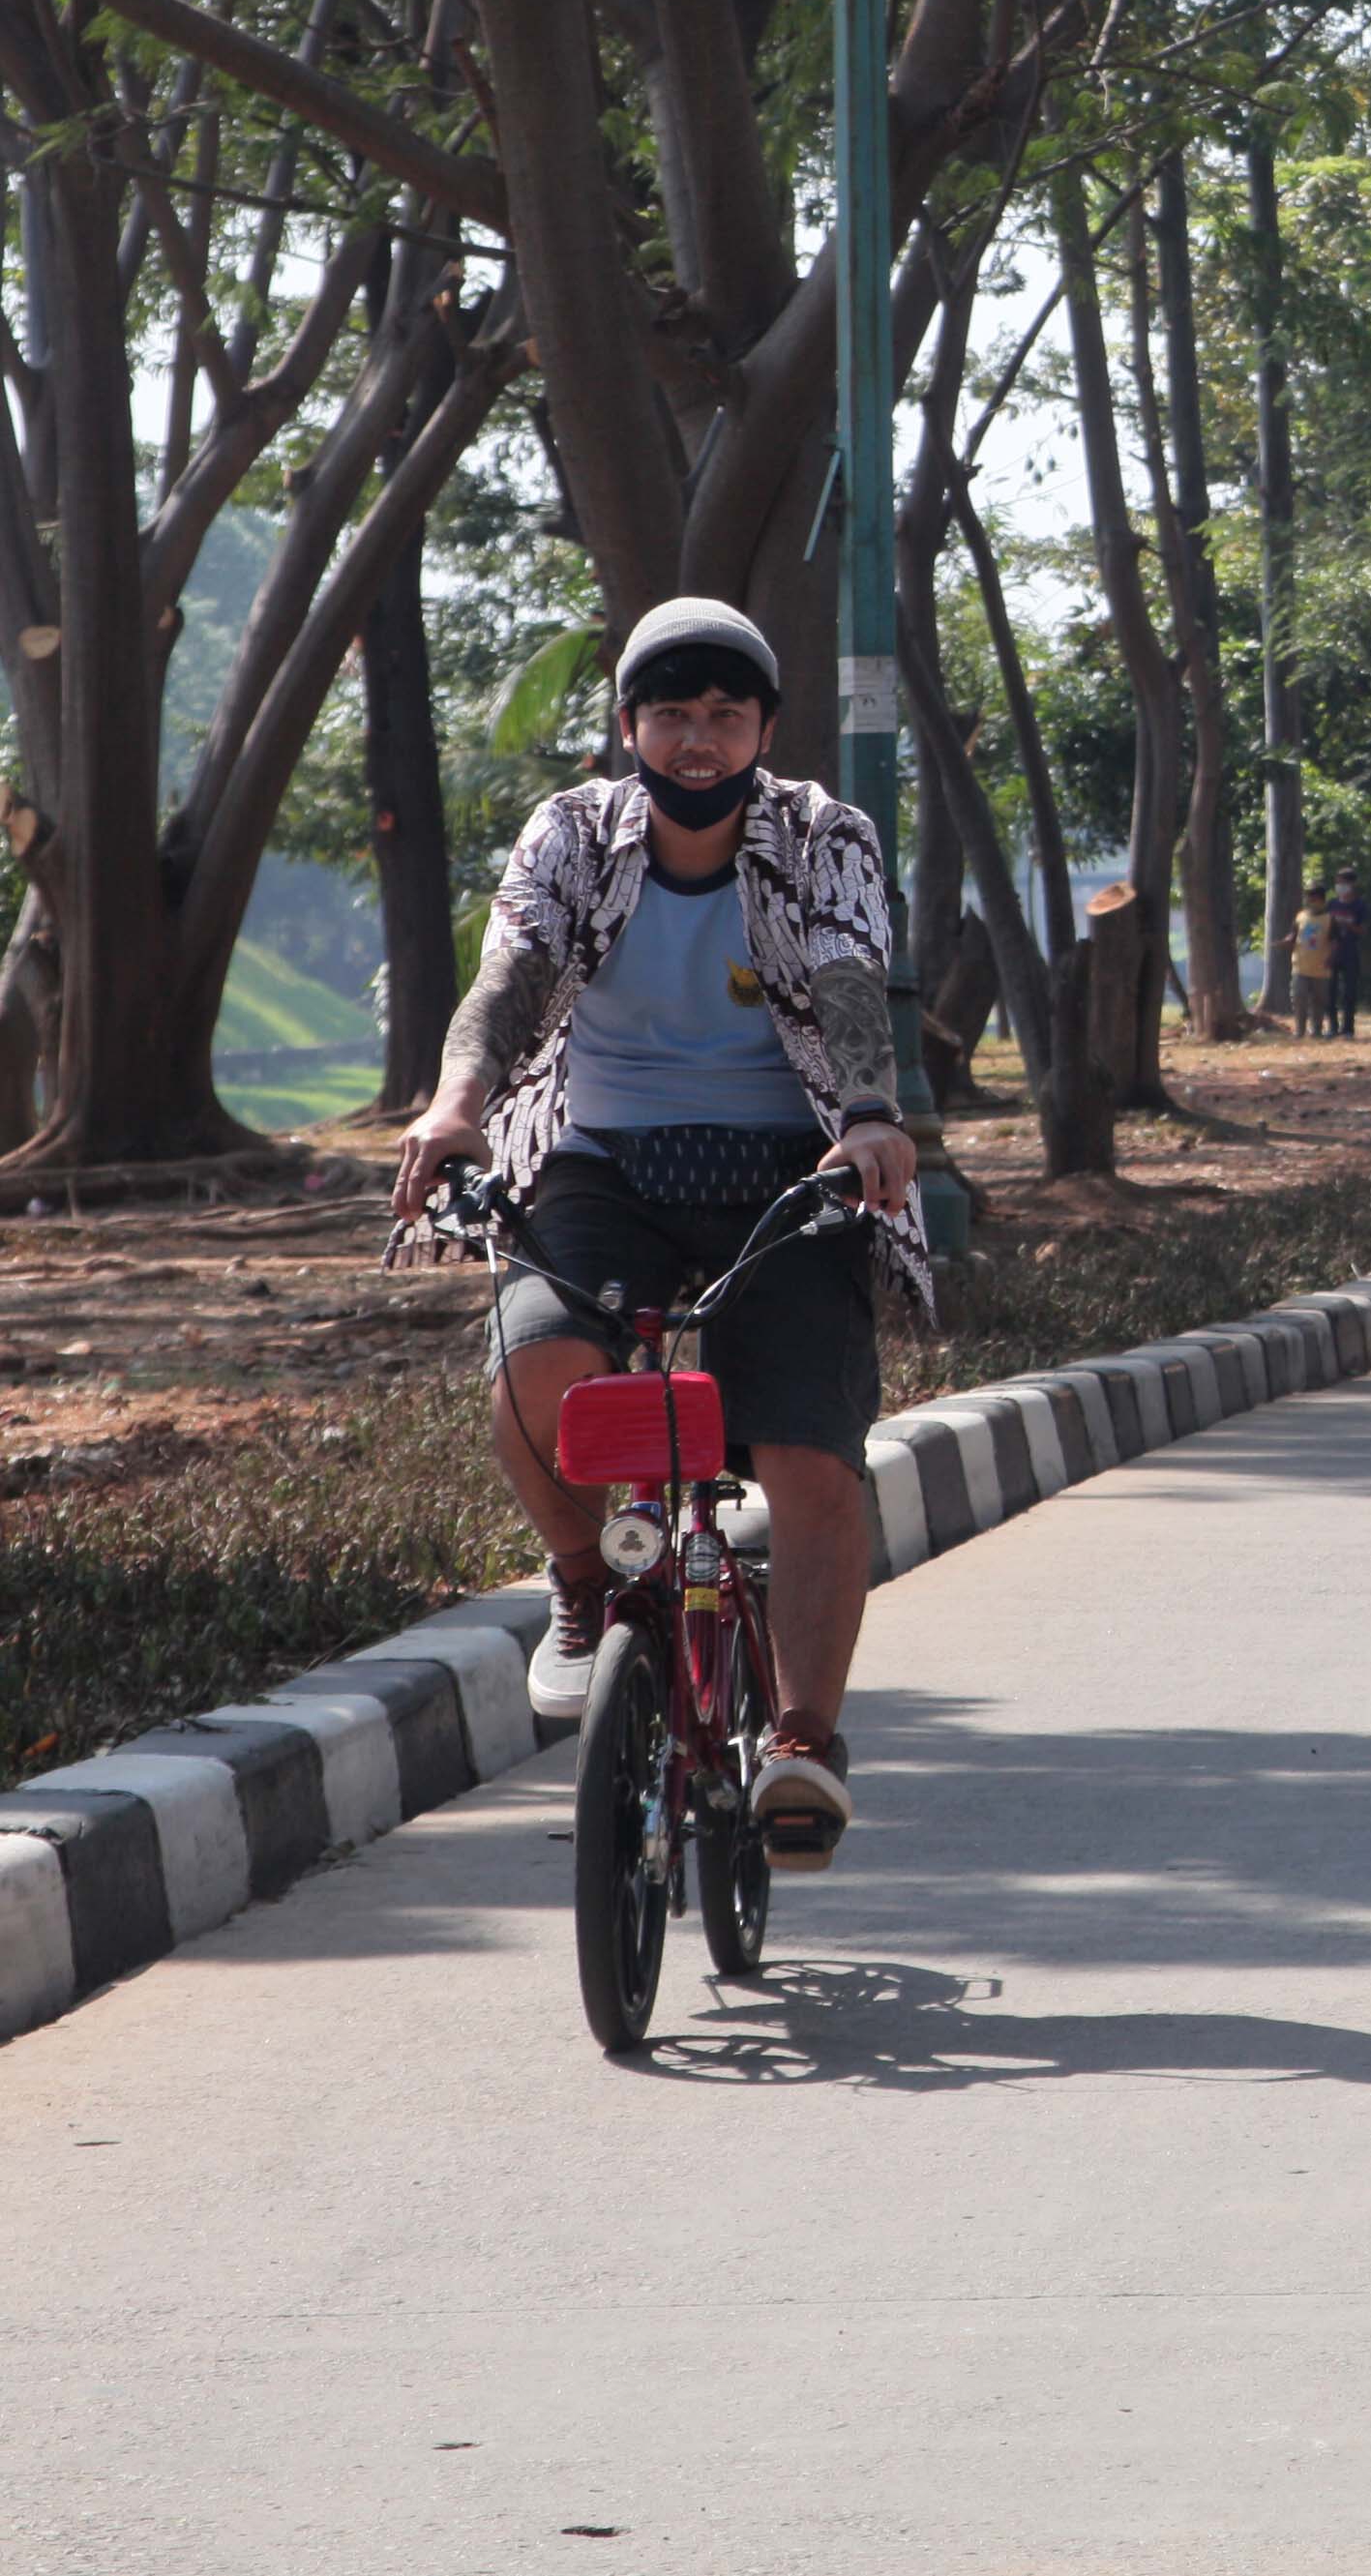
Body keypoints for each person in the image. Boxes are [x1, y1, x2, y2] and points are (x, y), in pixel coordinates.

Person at [389, 598, 926, 1871]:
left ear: (765, 730)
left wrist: (868, 1114)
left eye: (725, 714)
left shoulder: (824, 834)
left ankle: (801, 1740)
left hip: (792, 1165)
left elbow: (849, 973)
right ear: (626, 725)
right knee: (537, 1366)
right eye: (671, 714)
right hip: (604, 1162)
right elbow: (510, 974)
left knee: (809, 1457)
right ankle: (584, 1580)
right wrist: (457, 1105)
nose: (697, 739)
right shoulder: (573, 833)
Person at [1325, 872, 1368, 1040]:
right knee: (1330, 992)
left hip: (1351, 952)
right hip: (1332, 953)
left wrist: (1348, 925)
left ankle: (1348, 1029)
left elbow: (1362, 930)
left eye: (1343, 883)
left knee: (1349, 992)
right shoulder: (1332, 904)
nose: (1340, 887)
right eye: (1338, 883)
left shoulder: (1359, 905)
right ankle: (1332, 1027)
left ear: (1352, 884)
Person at [1290, 897, 1333, 1038]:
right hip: (1300, 966)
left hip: (1321, 968)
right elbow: (1293, 935)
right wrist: (1285, 942)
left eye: (1315, 899)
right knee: (1299, 997)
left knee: (1318, 1001)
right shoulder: (1300, 917)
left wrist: (1331, 958)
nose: (1312, 902)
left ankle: (1317, 1030)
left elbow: (1335, 942)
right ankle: (1299, 1030)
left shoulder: (1329, 919)